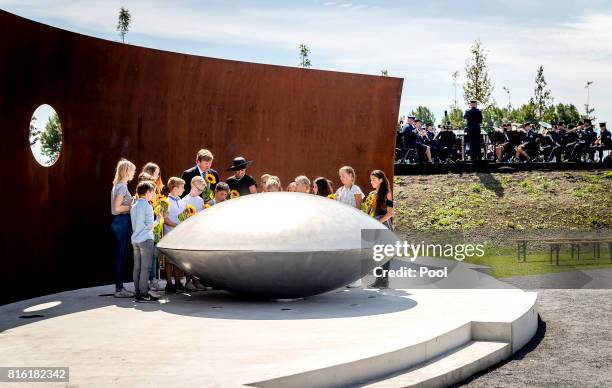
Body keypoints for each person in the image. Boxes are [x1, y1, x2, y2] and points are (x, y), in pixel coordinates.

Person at [130, 181, 160, 303]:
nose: (153, 195)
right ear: (147, 192)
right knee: (146, 268)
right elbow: (148, 226)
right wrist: (158, 220)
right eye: (152, 192)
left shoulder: (134, 205)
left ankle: (137, 292)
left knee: (137, 267)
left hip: (135, 240)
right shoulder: (147, 206)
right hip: (146, 239)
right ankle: (143, 293)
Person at [111, 159, 136, 298]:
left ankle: (119, 287)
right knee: (120, 256)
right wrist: (132, 206)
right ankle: (119, 289)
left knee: (121, 255)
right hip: (122, 221)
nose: (133, 173)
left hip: (120, 222)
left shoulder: (118, 185)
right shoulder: (121, 187)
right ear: (126, 171)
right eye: (132, 170)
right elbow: (116, 208)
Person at [364, 170, 394, 289]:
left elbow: (390, 213)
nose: (371, 182)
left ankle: (384, 280)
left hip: (383, 224)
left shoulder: (387, 193)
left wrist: (377, 223)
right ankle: (378, 279)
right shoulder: (372, 194)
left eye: (374, 180)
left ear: (381, 180)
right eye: (371, 180)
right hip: (373, 224)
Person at [163, 177, 189, 293]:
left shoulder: (180, 200)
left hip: (180, 234)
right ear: (174, 188)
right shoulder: (166, 201)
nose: (184, 189)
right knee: (169, 260)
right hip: (170, 234)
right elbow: (165, 218)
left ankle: (178, 282)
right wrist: (176, 225)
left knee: (178, 259)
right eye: (182, 187)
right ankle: (169, 284)